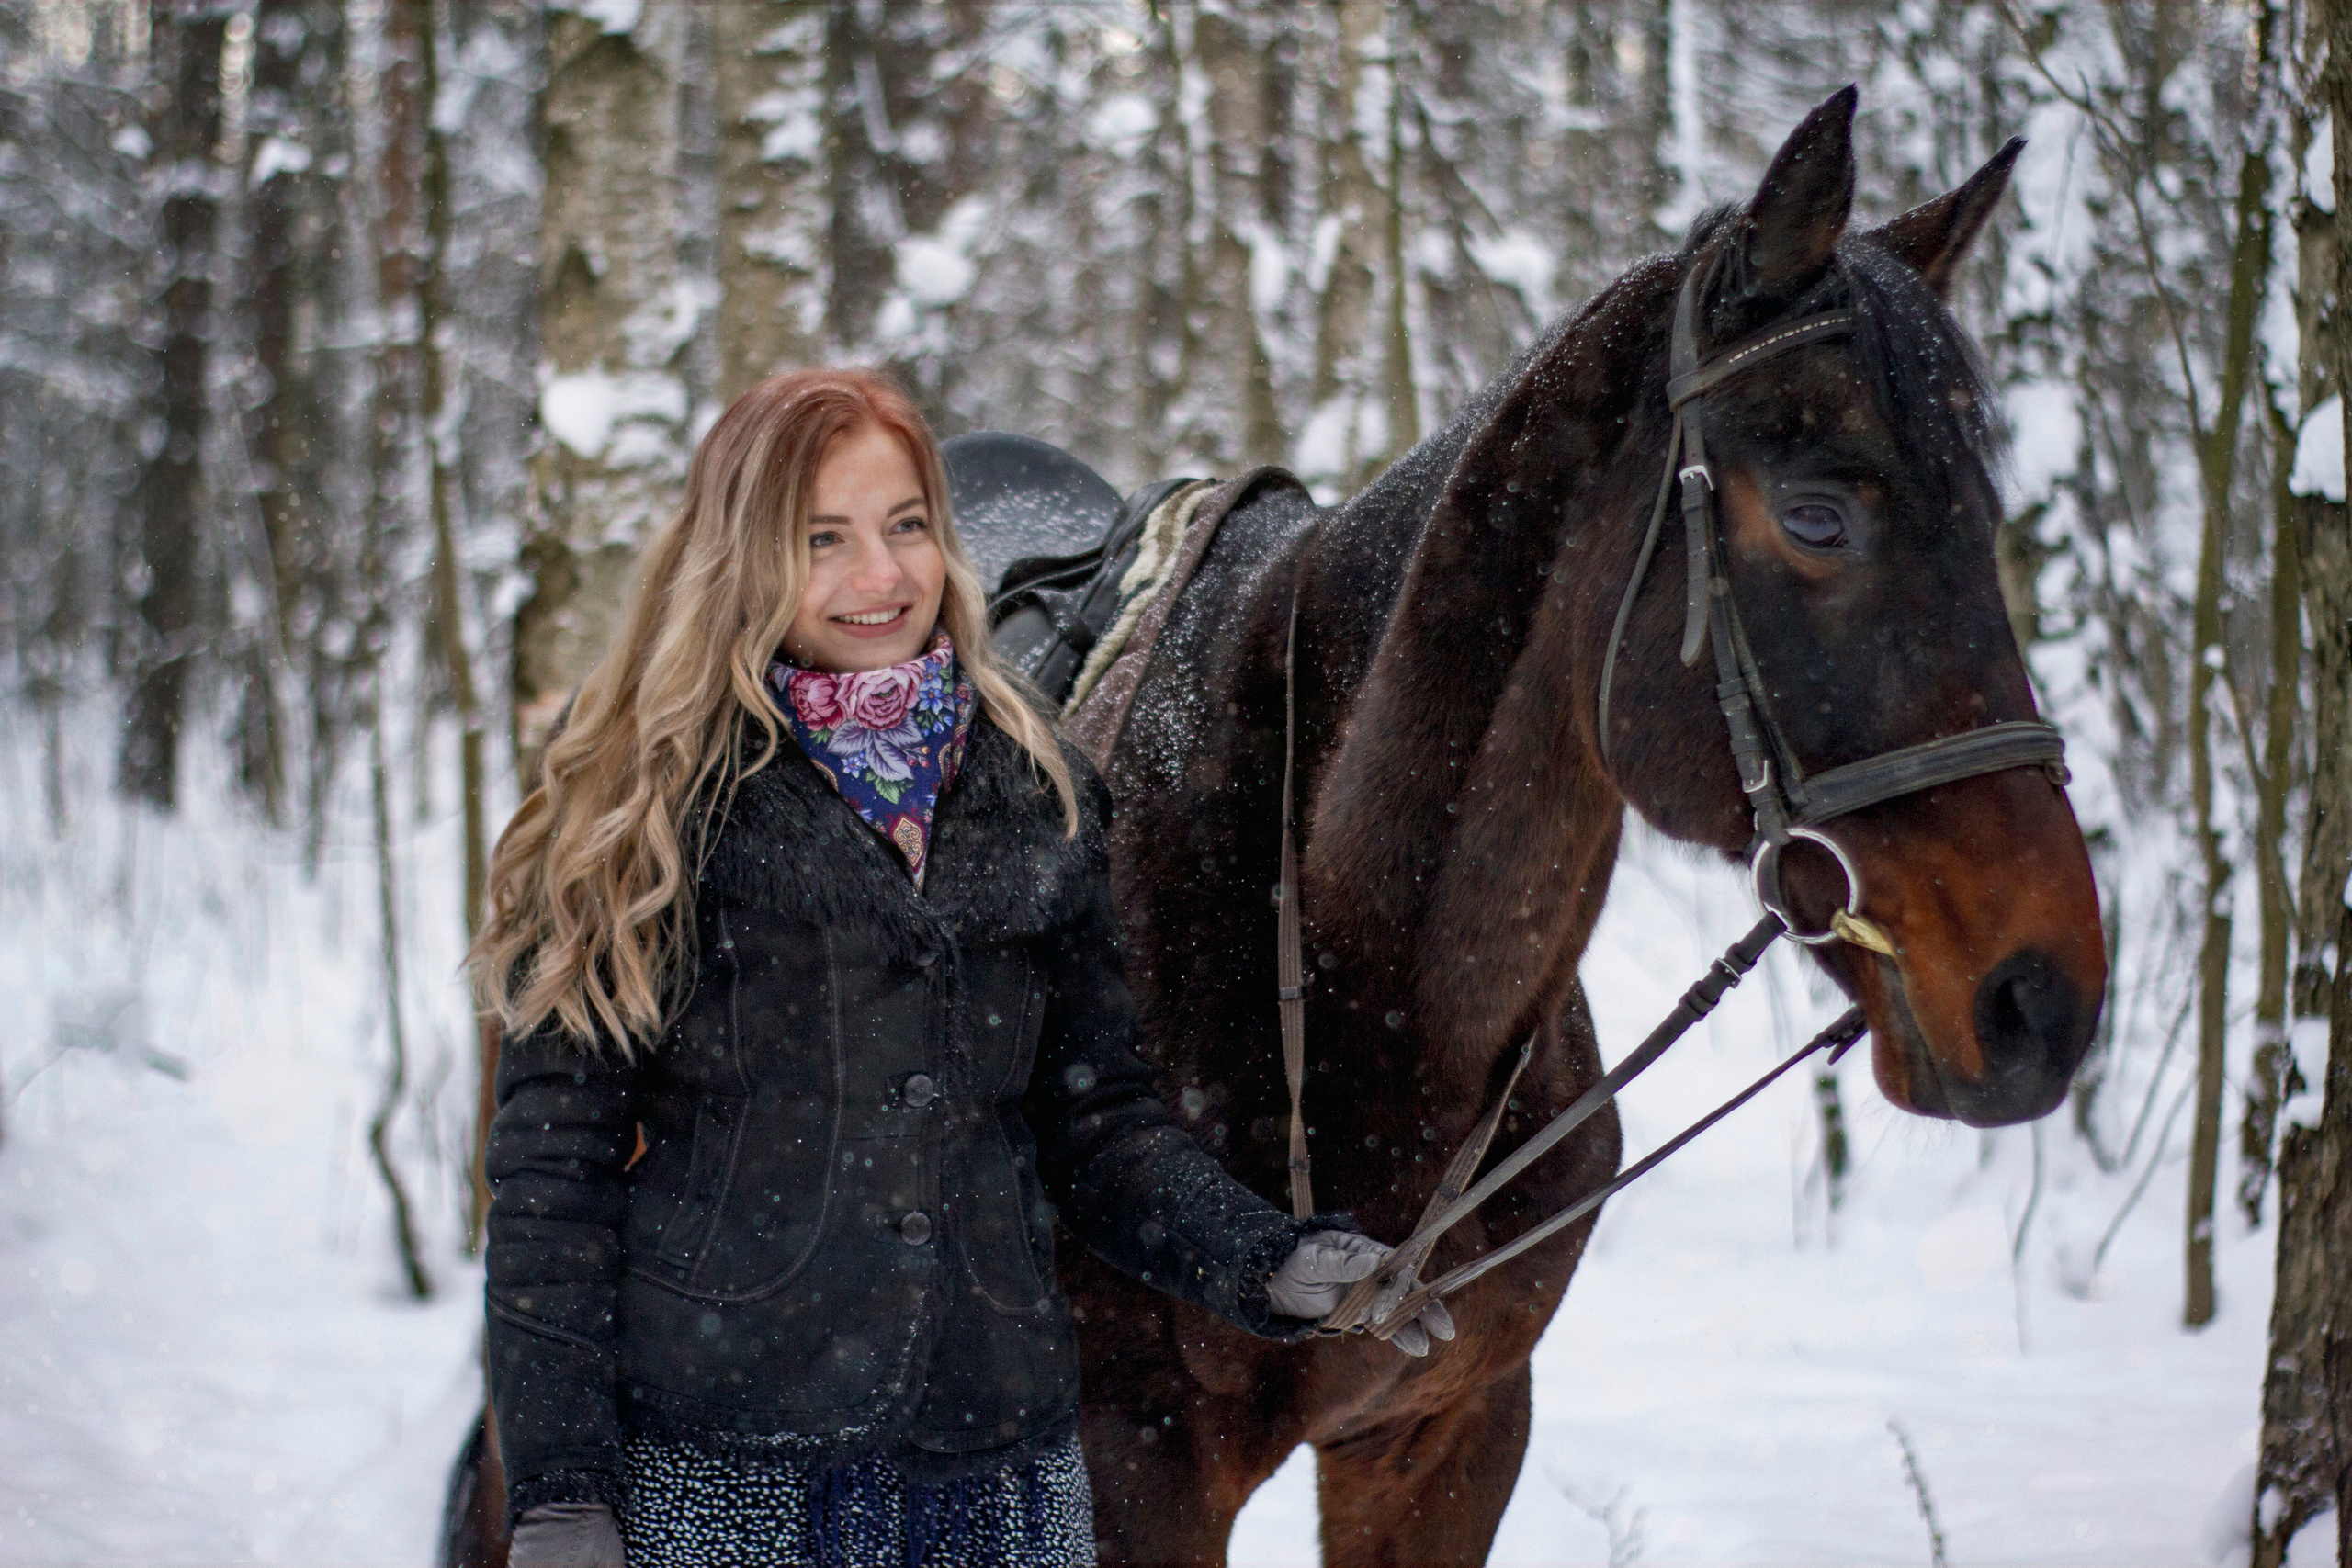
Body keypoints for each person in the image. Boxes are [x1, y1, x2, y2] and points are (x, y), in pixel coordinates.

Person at [470, 367, 1453, 1568]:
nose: (879, 577)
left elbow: (1101, 1132)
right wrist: (561, 1486)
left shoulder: (1034, 788)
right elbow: (549, 1185)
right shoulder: (638, 814)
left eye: (907, 527)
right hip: (729, 1475)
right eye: (821, 539)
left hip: (999, 1476)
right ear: (741, 555)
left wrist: (1271, 1258)